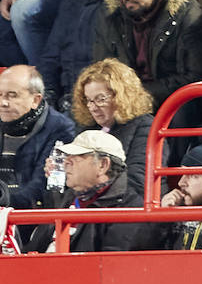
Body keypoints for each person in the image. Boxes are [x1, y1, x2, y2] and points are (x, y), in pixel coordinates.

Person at [91, 0, 202, 108]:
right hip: (122, 100)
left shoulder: (188, 15)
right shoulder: (111, 13)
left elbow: (195, 77)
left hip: (173, 102)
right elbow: (101, 68)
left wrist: (139, 93)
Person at [27, 130, 158, 253]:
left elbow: (110, 264)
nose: (66, 162)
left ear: (103, 165)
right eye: (67, 157)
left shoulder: (129, 208)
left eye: (76, 157)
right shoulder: (68, 198)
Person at [69, 58, 154, 196]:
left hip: (131, 207)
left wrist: (86, 178)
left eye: (100, 99)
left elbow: (139, 180)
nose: (92, 107)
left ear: (122, 96)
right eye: (88, 100)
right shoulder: (87, 129)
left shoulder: (146, 126)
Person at [0, 64, 75, 209]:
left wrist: (4, 201)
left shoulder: (61, 129)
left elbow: (40, 188)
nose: (3, 103)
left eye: (12, 95)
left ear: (36, 100)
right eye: (0, 94)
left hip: (31, 218)